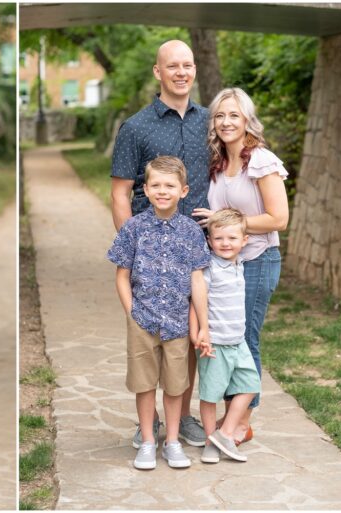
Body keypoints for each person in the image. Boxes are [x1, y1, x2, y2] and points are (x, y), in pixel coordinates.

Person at [110, 39, 211, 449]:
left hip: (197, 247)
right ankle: (148, 425)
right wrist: (133, 252)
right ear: (158, 72)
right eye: (173, 66)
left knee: (188, 336)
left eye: (188, 65)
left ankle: (181, 417)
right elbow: (120, 193)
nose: (181, 72)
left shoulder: (209, 121)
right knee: (149, 340)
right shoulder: (136, 128)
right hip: (150, 252)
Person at [191, 87, 289, 445]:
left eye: (234, 115)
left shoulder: (260, 161)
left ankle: (240, 424)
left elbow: (279, 219)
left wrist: (228, 222)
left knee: (244, 339)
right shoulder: (219, 163)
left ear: (247, 119)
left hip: (257, 261)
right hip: (223, 268)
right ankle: (232, 418)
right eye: (219, 115)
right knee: (225, 337)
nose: (226, 122)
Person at [107, 156, 210, 470]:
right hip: (143, 319)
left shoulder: (192, 232)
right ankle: (149, 442)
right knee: (144, 382)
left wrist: (202, 325)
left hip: (178, 322)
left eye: (170, 185)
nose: (162, 191)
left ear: (183, 190)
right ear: (146, 190)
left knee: (176, 384)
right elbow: (122, 275)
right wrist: (132, 311)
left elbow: (197, 279)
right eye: (156, 185)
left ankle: (173, 441)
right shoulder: (134, 229)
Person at [191, 209, 260, 464]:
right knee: (210, 395)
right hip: (215, 343)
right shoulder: (209, 269)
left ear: (244, 241)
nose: (225, 243)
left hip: (238, 341)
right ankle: (211, 441)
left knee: (251, 386)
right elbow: (195, 303)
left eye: (232, 238)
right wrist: (198, 334)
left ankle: (225, 433)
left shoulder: (239, 265)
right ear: (210, 241)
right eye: (219, 238)